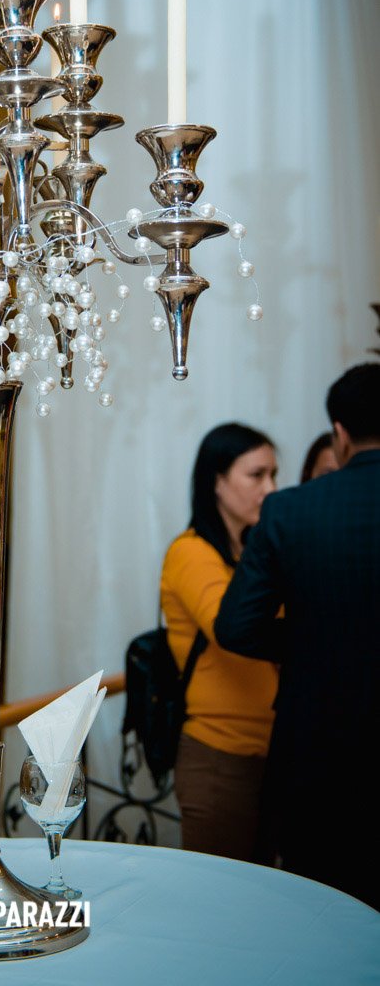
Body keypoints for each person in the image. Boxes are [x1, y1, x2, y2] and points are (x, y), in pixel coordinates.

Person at [215, 364, 380, 909]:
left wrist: (316, 639)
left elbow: (236, 626)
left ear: (340, 433)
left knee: (322, 906)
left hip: (318, 750)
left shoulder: (292, 510)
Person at [160, 423, 279, 862]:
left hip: (269, 754)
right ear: (217, 481)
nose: (270, 488)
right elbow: (232, 630)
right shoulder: (191, 551)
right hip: (218, 756)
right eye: (256, 475)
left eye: (274, 475)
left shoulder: (249, 555)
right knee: (222, 892)